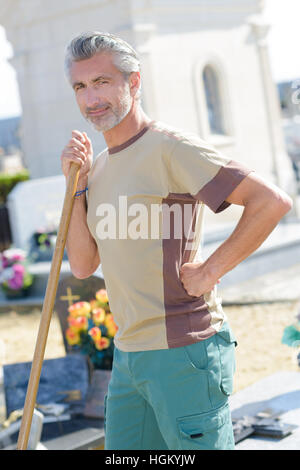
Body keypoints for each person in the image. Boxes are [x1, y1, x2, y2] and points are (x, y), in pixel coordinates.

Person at [60, 31, 293, 450]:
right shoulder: (97, 168)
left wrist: (211, 269)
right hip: (128, 354)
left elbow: (270, 202)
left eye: (102, 82)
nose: (91, 98)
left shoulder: (170, 148)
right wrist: (76, 187)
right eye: (80, 86)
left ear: (133, 83)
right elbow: (81, 265)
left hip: (184, 351)